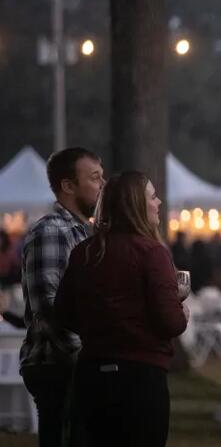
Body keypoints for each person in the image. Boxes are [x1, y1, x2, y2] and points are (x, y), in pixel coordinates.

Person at [54, 171, 189, 447]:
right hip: (139, 380)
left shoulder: (85, 252)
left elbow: (63, 313)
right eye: (152, 196)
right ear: (136, 204)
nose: (159, 202)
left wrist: (102, 327)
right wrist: (182, 313)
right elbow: (170, 323)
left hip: (91, 376)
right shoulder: (152, 253)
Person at [20, 147, 104, 447]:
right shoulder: (52, 231)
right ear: (68, 186)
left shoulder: (85, 233)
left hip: (76, 363)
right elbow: (51, 309)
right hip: (59, 365)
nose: (102, 186)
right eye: (95, 178)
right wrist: (93, 357)